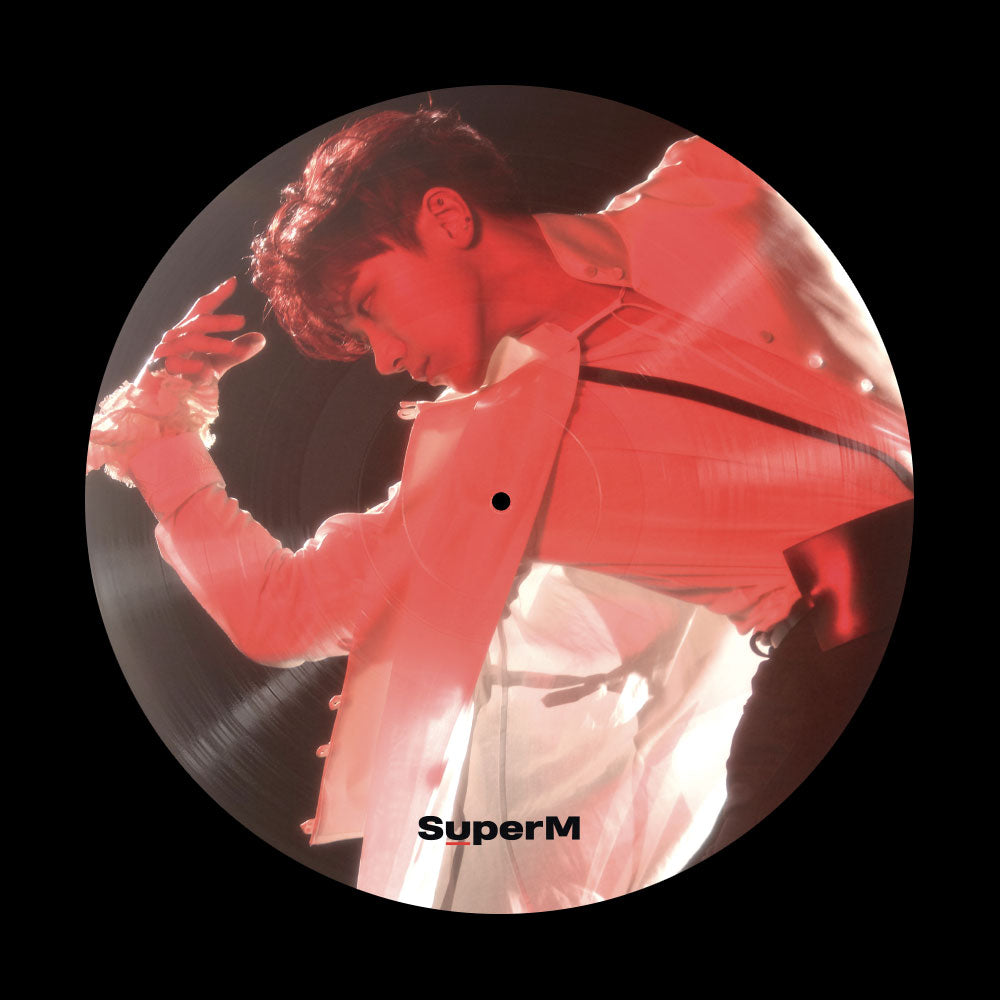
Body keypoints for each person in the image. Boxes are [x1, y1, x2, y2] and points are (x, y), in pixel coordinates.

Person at [87, 108, 912, 911]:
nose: (386, 359)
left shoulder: (716, 194)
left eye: (370, 303)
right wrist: (161, 432)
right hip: (833, 675)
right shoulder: (485, 464)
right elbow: (283, 612)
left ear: (446, 217)